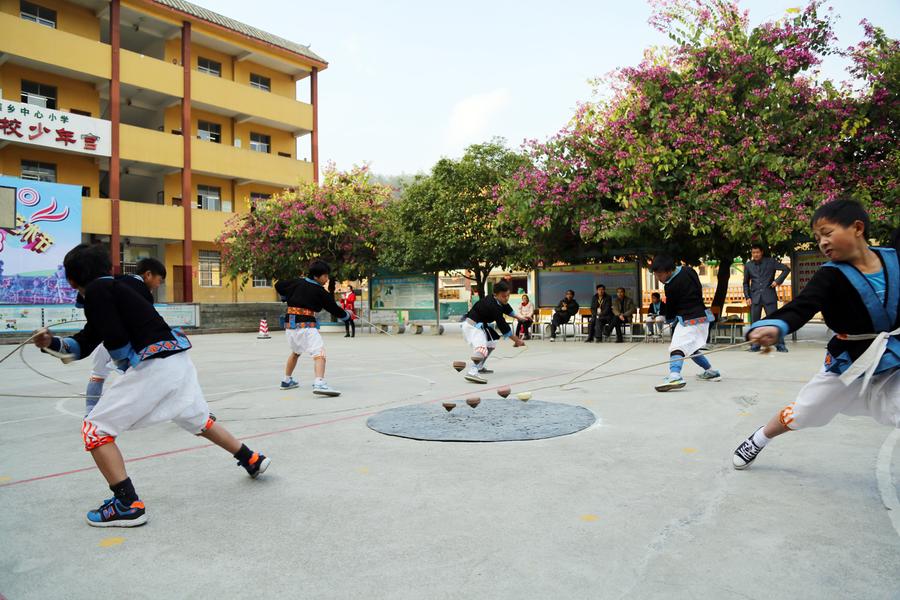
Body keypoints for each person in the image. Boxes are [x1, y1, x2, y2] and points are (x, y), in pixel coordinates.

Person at [33, 244, 270, 527]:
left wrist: (123, 365)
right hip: (177, 360)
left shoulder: (97, 292)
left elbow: (115, 340)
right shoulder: (123, 286)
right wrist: (50, 345)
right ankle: (251, 458)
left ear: (71, 281)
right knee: (197, 419)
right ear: (109, 269)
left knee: (95, 429)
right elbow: (83, 343)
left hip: (153, 365)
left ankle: (127, 503)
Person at [732, 199, 899, 470]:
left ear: (857, 228)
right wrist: (775, 326)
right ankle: (760, 437)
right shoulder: (829, 276)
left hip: (894, 358)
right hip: (848, 363)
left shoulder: (895, 259)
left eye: (828, 233)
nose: (822, 242)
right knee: (804, 412)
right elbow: (802, 307)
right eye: (818, 237)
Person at [83, 257, 167, 415]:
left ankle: (90, 412)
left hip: (105, 338)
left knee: (97, 375)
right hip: (123, 343)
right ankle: (180, 409)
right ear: (148, 275)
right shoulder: (143, 293)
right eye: (159, 280)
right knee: (151, 375)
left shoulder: (115, 280)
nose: (158, 285)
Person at [274, 260, 350, 396]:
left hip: (290, 326)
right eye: (325, 276)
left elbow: (278, 285)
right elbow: (333, 308)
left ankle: (286, 380)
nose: (327, 280)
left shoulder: (296, 282)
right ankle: (319, 382)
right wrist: (346, 316)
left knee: (296, 352)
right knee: (319, 353)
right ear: (316, 276)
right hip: (307, 325)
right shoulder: (320, 291)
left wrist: (285, 297)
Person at [650, 255, 721, 391]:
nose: (659, 278)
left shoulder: (670, 286)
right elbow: (697, 290)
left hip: (690, 321)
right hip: (703, 317)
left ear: (669, 271)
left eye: (660, 275)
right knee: (691, 348)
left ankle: (675, 375)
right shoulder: (689, 270)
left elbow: (671, 308)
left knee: (677, 347)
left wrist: (671, 319)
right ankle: (711, 372)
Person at [461, 280, 527, 383]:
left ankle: (479, 366)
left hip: (480, 326)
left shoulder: (499, 301)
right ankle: (472, 372)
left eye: (508, 295)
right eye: (503, 296)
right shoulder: (493, 306)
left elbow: (508, 309)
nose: (506, 298)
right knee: (481, 349)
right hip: (472, 327)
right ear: (495, 295)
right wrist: (517, 340)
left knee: (491, 344)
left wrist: (520, 317)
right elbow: (503, 325)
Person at [743, 243, 791, 352]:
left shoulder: (770, 262)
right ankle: (755, 345)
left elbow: (786, 269)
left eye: (757, 252)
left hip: (769, 296)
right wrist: (747, 296)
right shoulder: (748, 265)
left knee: (774, 321)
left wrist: (777, 281)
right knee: (755, 322)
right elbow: (745, 283)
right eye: (753, 253)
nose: (755, 254)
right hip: (755, 298)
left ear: (761, 252)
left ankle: (780, 345)